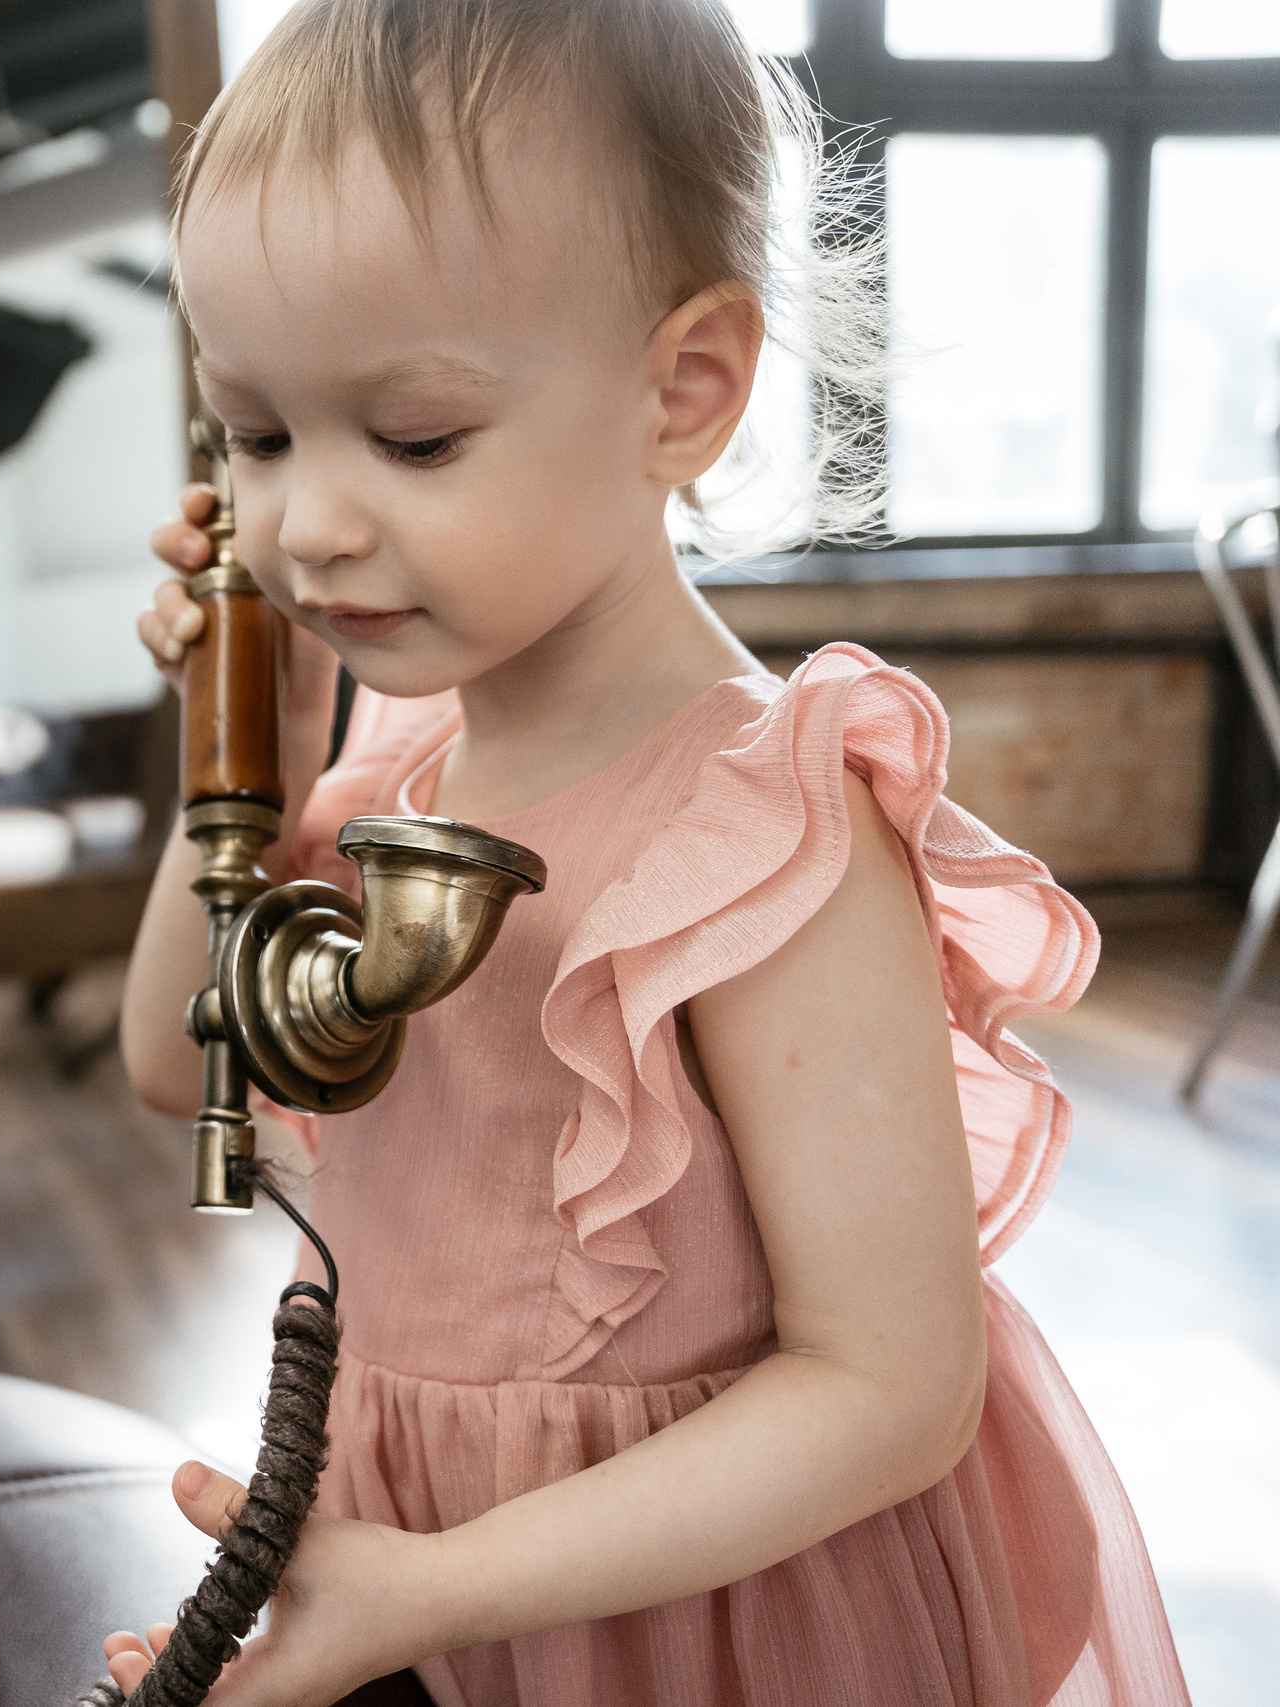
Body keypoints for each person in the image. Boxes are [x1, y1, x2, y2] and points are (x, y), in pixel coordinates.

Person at [105, 3, 1187, 1703]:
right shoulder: (398, 765)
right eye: (254, 437)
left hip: (696, 1626)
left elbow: (891, 1387)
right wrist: (256, 732)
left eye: (413, 440)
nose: (304, 525)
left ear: (680, 392)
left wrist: (441, 1592)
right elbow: (180, 1062)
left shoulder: (764, 835)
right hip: (408, 1582)